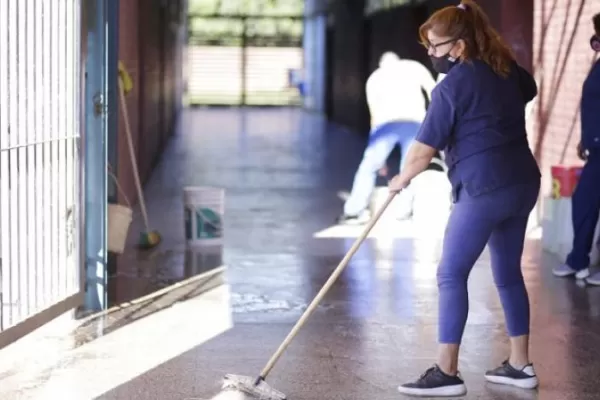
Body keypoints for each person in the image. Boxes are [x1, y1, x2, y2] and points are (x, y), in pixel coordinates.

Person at [386, 1, 541, 397]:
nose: (432, 54)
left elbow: (422, 151)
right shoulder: (506, 70)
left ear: (458, 46)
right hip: (522, 183)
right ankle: (521, 365)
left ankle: (447, 372)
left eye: (436, 47)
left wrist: (399, 180)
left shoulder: (450, 87)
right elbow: (530, 88)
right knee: (507, 273)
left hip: (483, 189)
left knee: (451, 274)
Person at [337, 52, 437, 224]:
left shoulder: (376, 77)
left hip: (385, 126)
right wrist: (434, 123)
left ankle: (354, 210)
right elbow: (435, 92)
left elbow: (373, 113)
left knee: (369, 167)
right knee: (409, 167)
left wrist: (376, 152)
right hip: (414, 123)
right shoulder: (414, 67)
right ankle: (404, 211)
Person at [552, 13, 600, 284]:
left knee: (586, 201)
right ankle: (578, 259)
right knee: (584, 203)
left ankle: (579, 259)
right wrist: (586, 139)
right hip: (595, 146)